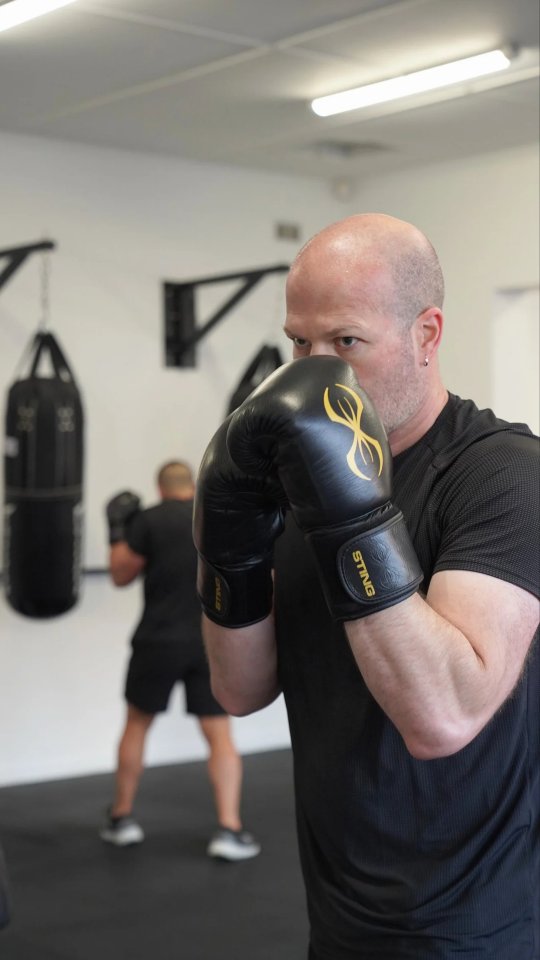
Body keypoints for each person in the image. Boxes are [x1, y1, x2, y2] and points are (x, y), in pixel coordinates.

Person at [193, 213, 540, 958]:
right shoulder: (289, 476)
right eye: (298, 344)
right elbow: (239, 689)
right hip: (337, 913)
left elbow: (444, 716)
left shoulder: (504, 475)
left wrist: (346, 515)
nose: (314, 373)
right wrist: (229, 546)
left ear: (426, 334)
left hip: (477, 928)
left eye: (345, 343)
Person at [101, 461, 260, 861]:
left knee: (137, 724)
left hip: (157, 640)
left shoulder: (149, 521)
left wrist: (117, 530)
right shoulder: (215, 517)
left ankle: (121, 820)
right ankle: (229, 828)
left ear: (159, 487)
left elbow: (121, 574)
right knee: (219, 734)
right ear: (193, 486)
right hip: (209, 641)